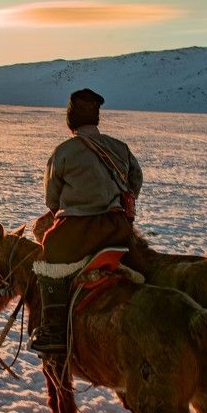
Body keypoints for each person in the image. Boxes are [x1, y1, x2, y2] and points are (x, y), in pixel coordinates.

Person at [28, 88, 143, 356]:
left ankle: (54, 330)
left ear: (71, 120)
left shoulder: (63, 152)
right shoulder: (119, 148)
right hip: (117, 228)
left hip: (77, 231)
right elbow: (135, 181)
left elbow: (52, 199)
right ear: (96, 118)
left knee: (48, 255)